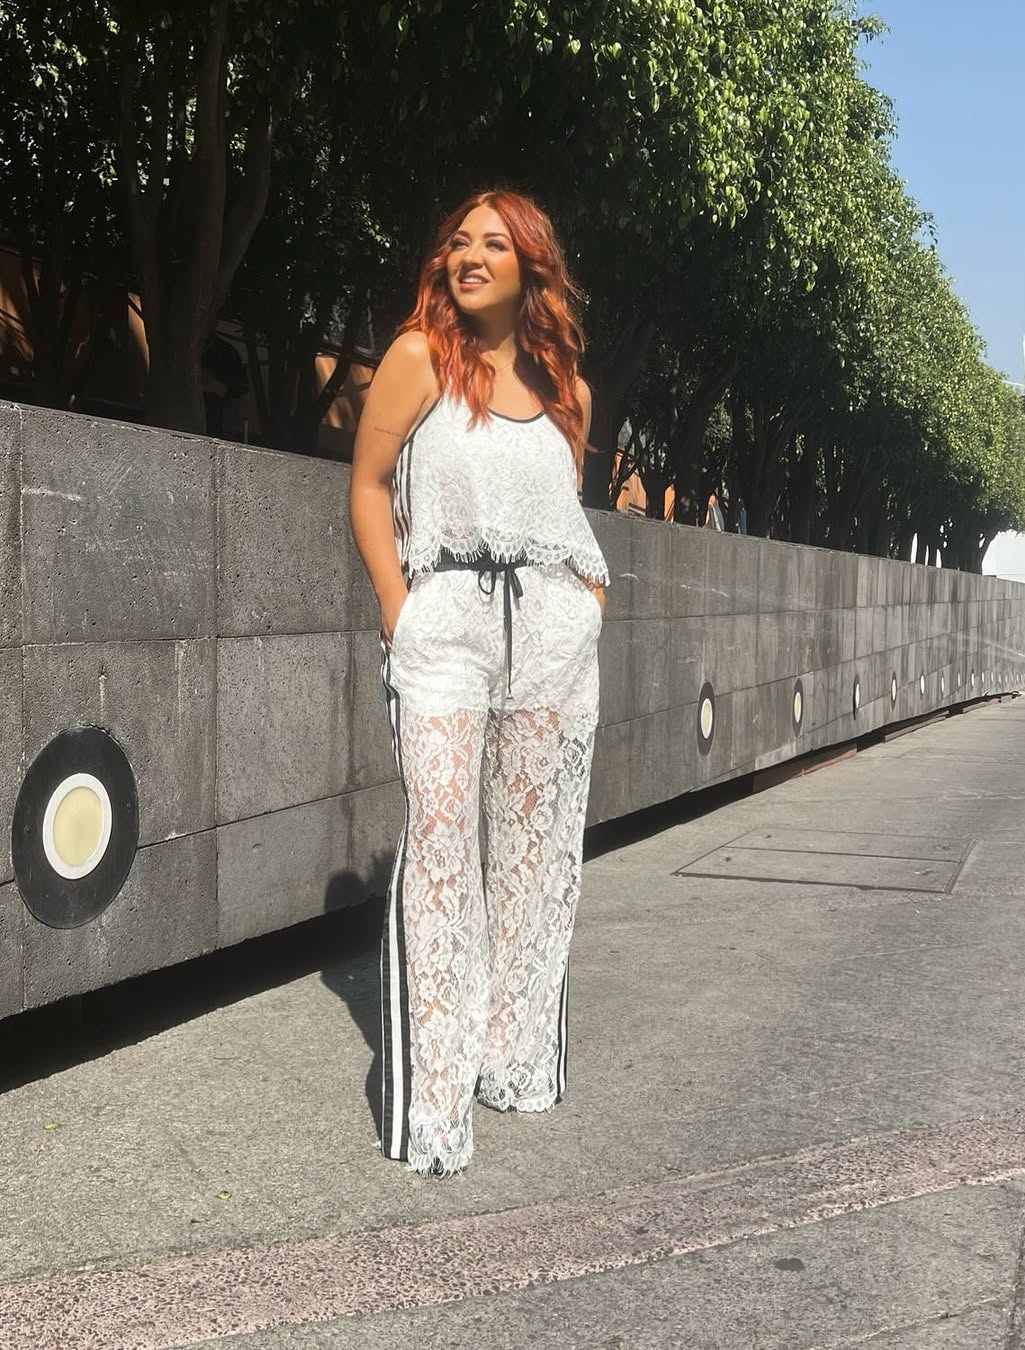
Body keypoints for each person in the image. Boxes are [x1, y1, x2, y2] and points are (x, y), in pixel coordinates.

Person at [348, 189, 609, 1178]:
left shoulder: (566, 390)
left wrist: (586, 605)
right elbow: (367, 487)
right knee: (442, 845)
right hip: (447, 626)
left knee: (533, 858)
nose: (469, 255)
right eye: (458, 240)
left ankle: (513, 1060)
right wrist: (397, 606)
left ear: (531, 266)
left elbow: (562, 515)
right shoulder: (419, 357)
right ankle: (436, 1103)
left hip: (549, 638)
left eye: (494, 245)